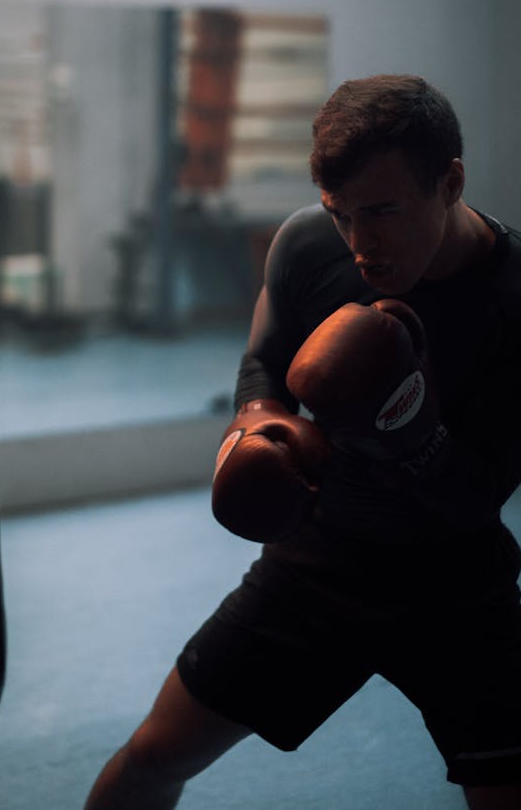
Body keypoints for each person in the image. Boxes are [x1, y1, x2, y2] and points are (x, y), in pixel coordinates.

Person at [83, 75, 521, 810]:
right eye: (341, 212)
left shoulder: (514, 298)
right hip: (320, 565)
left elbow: (480, 493)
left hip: (457, 589)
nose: (360, 241)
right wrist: (254, 423)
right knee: (154, 754)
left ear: (449, 182)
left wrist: (410, 435)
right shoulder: (310, 246)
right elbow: (264, 358)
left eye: (381, 210)